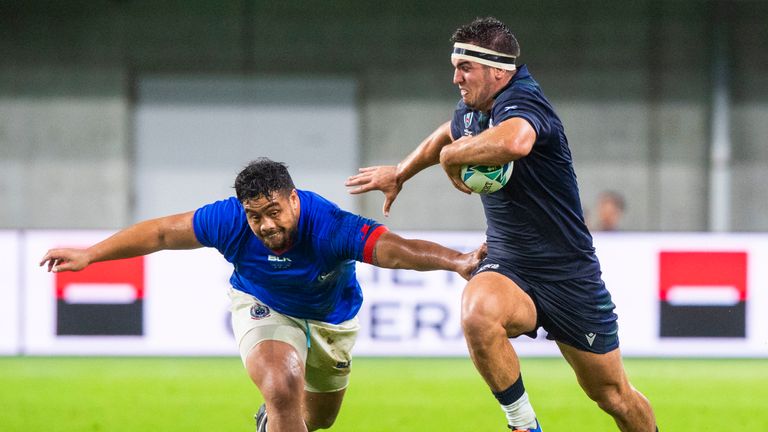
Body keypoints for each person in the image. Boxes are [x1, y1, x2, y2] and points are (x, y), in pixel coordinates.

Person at [346, 17, 658, 432]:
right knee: (478, 313)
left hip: (569, 275)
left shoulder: (524, 100)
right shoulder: (474, 110)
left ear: (498, 70)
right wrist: (402, 171)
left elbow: (516, 142)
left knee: (613, 395)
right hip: (509, 263)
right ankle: (523, 425)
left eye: (465, 68)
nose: (455, 77)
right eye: (455, 66)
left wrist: (451, 158)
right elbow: (448, 131)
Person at [40, 158, 485, 432]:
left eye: (274, 212)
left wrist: (459, 261)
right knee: (280, 385)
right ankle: (276, 410)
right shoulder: (228, 220)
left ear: (293, 200)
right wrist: (90, 255)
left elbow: (395, 250)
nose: (267, 225)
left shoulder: (329, 226)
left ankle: (271, 421)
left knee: (320, 418)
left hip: (332, 318)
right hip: (263, 305)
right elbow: (159, 233)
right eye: (256, 216)